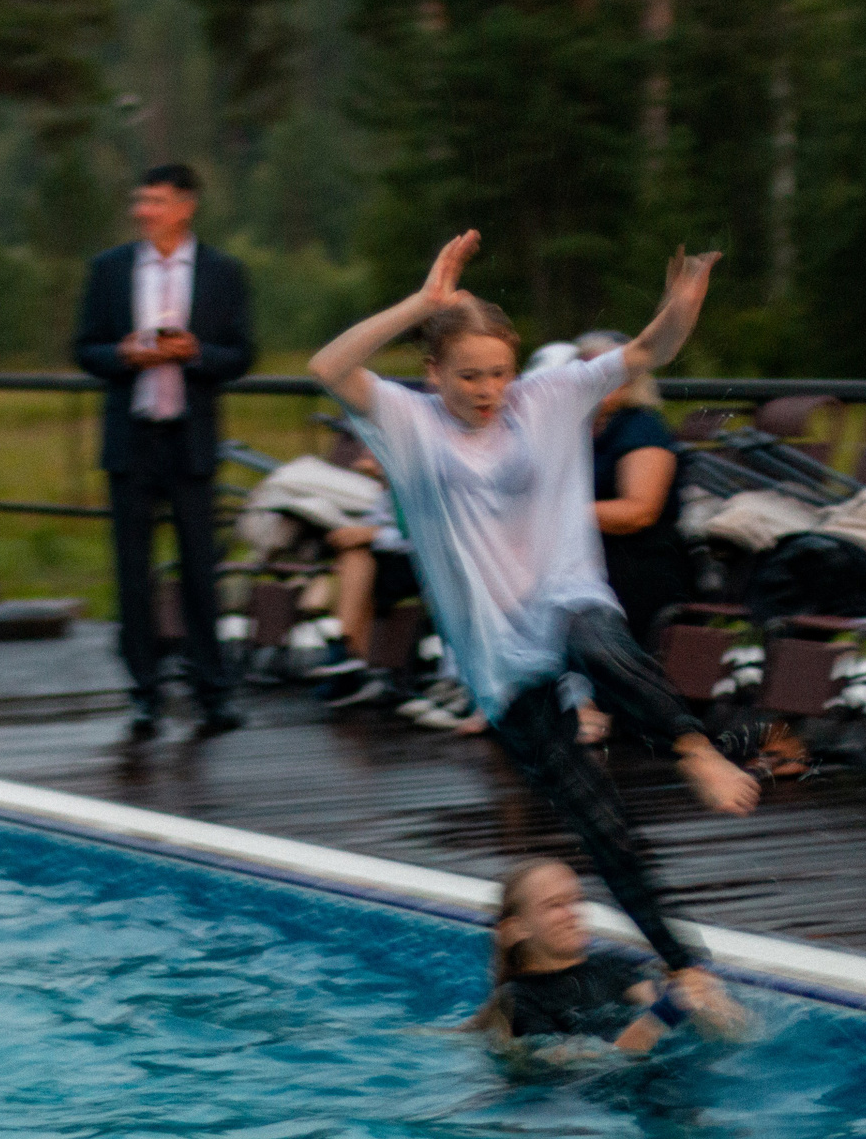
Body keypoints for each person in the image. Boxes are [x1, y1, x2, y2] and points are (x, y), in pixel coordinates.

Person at [307, 230, 758, 980]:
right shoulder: (406, 421)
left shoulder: (548, 398)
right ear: (433, 372)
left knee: (593, 636)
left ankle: (694, 750)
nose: (487, 390)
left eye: (499, 373)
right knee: (599, 821)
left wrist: (680, 305)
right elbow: (328, 367)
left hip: (564, 595)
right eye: (468, 376)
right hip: (496, 658)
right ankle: (688, 969)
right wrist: (422, 303)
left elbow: (648, 352)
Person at [74, 163, 255, 741]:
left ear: (185, 206)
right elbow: (84, 349)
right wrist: (125, 355)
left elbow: (242, 354)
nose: (143, 211)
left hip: (190, 440)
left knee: (201, 570)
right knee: (133, 574)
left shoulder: (224, 272)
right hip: (131, 441)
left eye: (154, 201)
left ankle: (212, 692)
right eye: (140, 200)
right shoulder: (109, 269)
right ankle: (144, 694)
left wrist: (195, 353)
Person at [468, 859, 744, 1050]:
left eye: (576, 900)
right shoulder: (518, 999)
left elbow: (657, 995)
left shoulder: (610, 964)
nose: (572, 914)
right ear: (517, 929)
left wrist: (701, 998)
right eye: (554, 905)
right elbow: (597, 1063)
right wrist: (664, 1015)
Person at [578, 330, 693, 649]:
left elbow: (639, 511)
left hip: (638, 564)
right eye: (586, 370)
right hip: (592, 559)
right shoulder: (581, 429)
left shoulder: (641, 428)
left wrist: (554, 513)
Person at [310, 448, 423, 707]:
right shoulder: (387, 491)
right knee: (354, 556)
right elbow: (380, 523)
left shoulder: (414, 486)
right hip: (392, 562)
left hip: (419, 568)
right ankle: (347, 658)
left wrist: (370, 535)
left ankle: (346, 654)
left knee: (356, 558)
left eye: (371, 451)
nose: (364, 455)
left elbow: (420, 537)